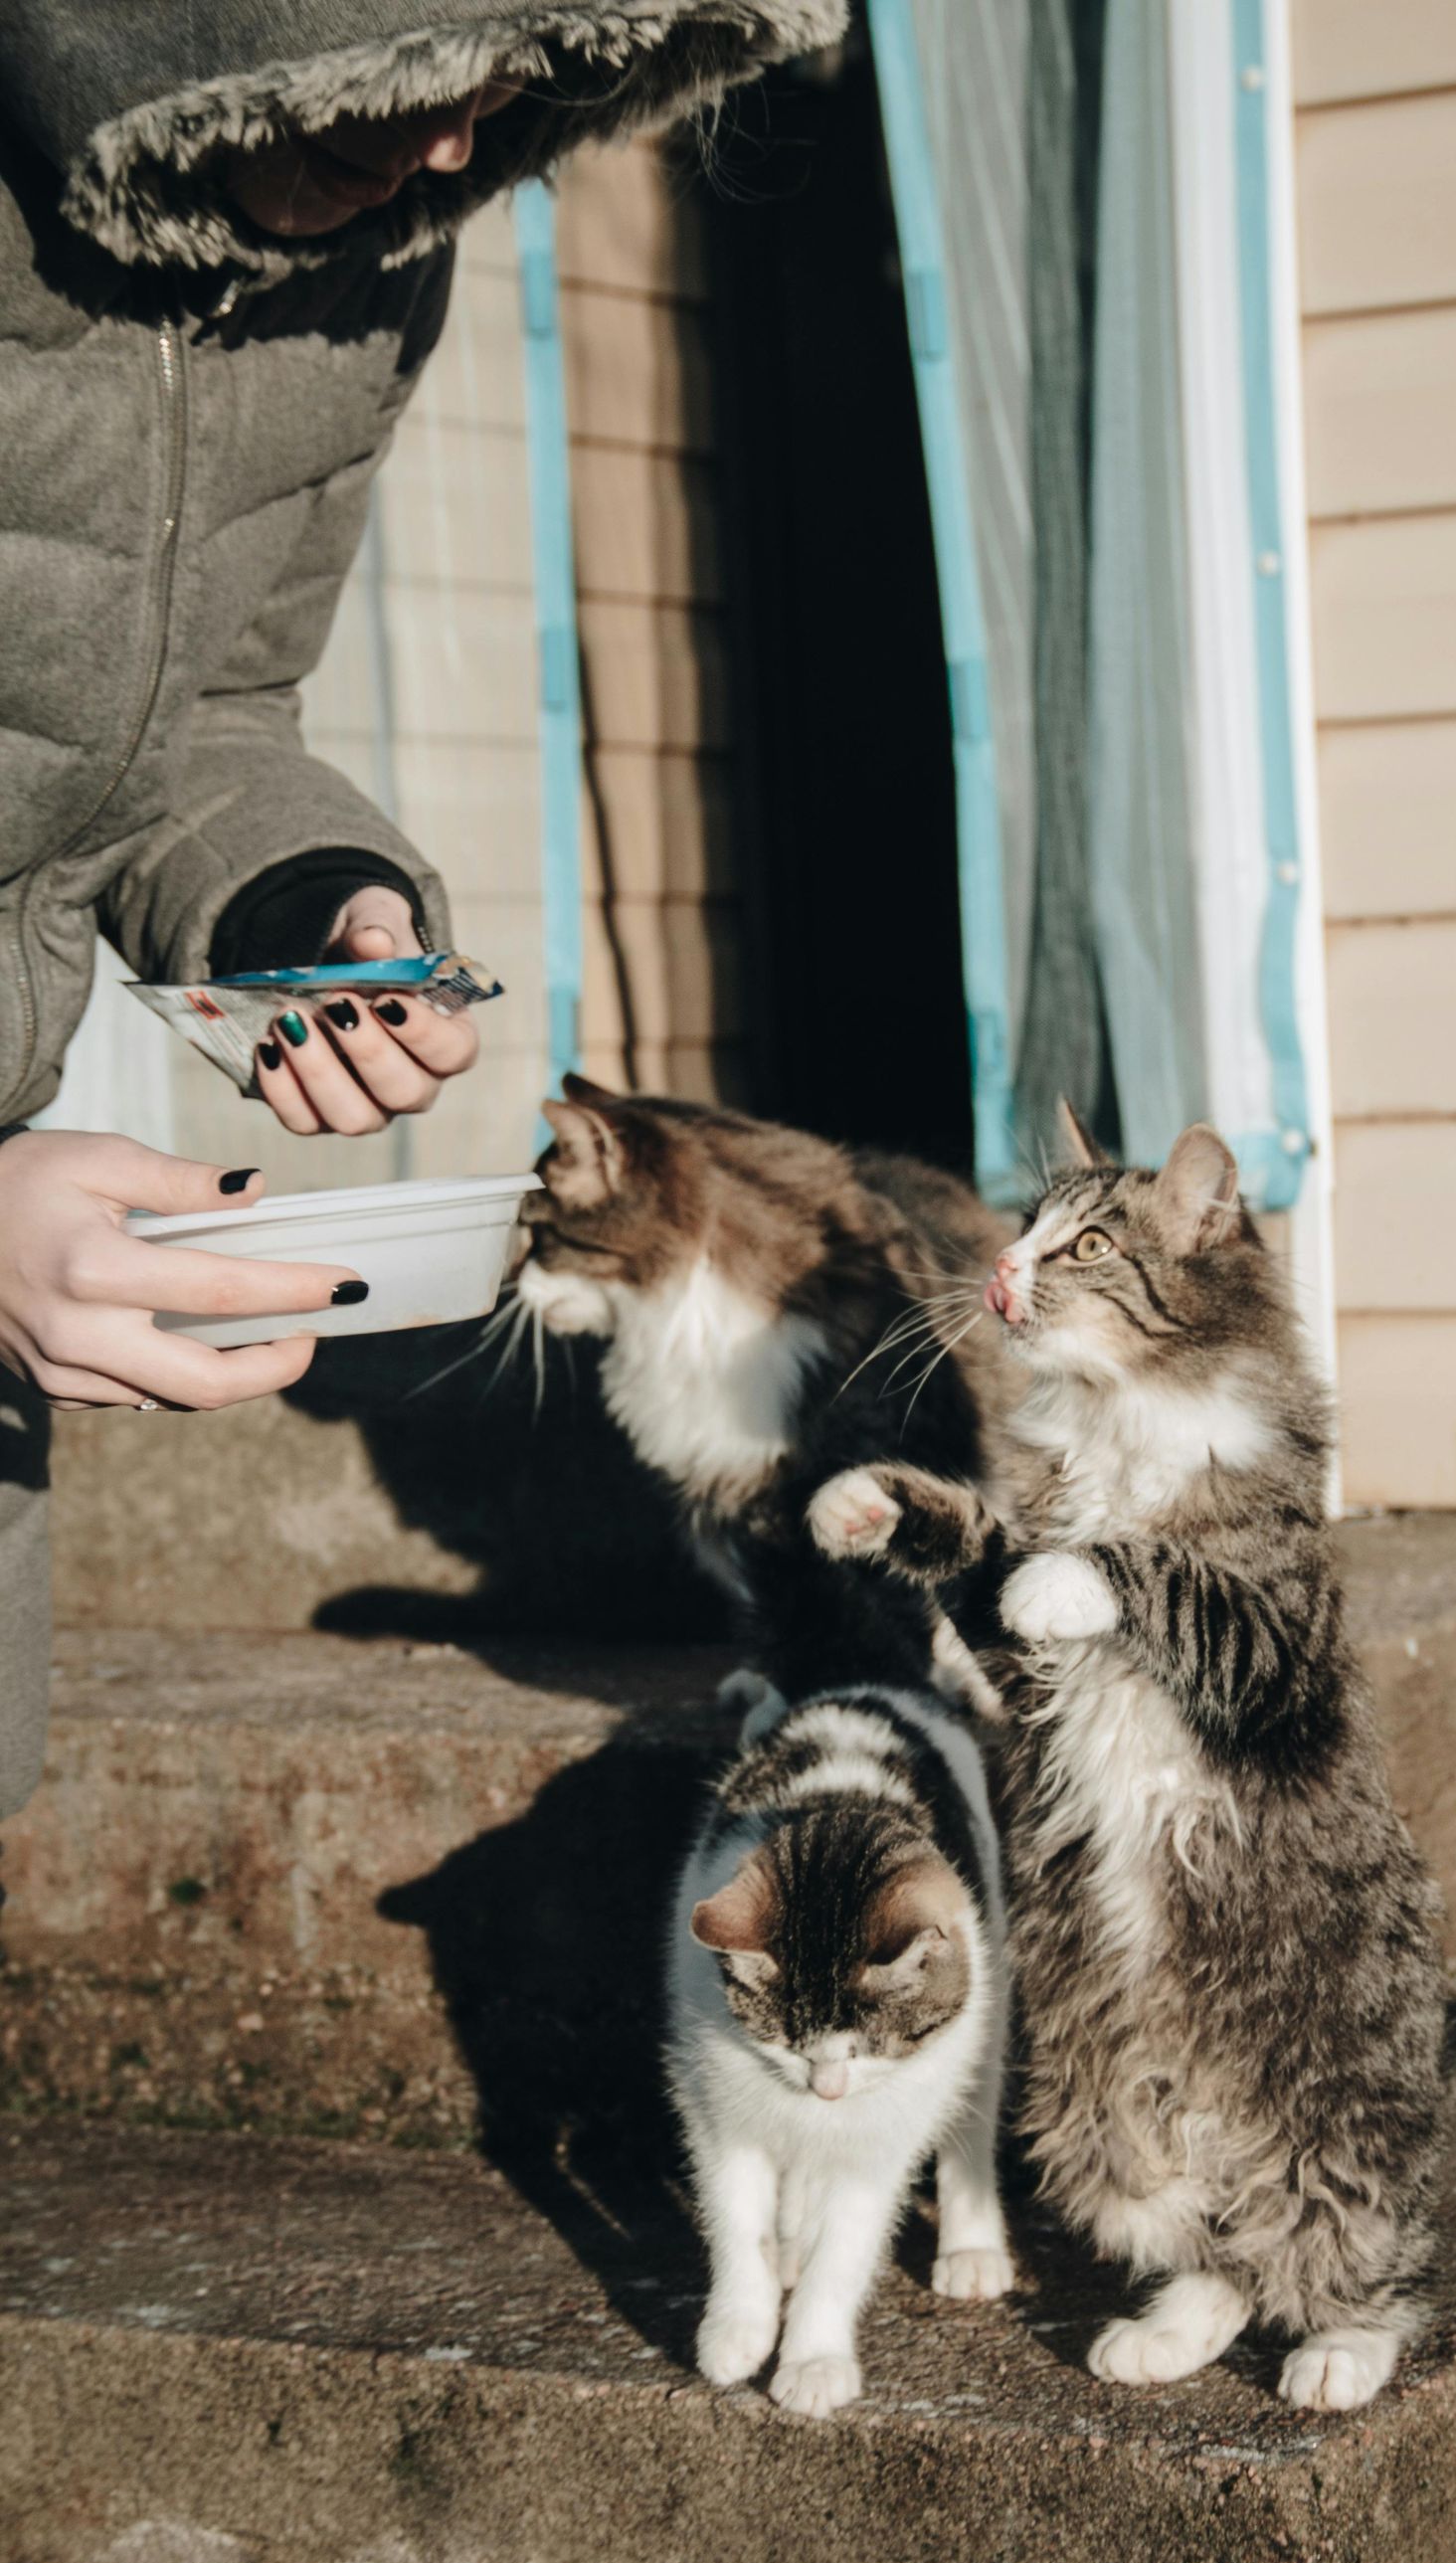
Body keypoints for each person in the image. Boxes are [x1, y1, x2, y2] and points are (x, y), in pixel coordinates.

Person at [0, 0, 841, 1819]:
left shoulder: (366, 262)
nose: (457, 142)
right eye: (421, 49)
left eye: (520, 65)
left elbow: (209, 715)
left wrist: (307, 906)